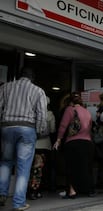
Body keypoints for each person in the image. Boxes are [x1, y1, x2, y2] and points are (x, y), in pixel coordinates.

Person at [0, 67, 47, 211]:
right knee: (23, 166)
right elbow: (42, 114)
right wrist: (38, 131)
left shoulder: (5, 87)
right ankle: (18, 203)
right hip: (27, 128)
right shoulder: (38, 91)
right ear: (32, 78)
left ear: (18, 76)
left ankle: (1, 195)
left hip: (7, 127)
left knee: (5, 162)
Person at [53, 92, 95, 199]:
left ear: (70, 101)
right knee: (85, 167)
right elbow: (90, 127)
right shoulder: (87, 112)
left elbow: (63, 126)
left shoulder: (69, 110)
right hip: (87, 142)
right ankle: (88, 190)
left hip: (73, 142)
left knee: (71, 167)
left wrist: (58, 139)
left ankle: (72, 191)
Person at [28, 96, 56, 200]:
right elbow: (53, 130)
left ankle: (28, 190)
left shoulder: (31, 114)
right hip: (44, 145)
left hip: (31, 145)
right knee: (39, 170)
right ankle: (35, 191)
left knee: (30, 169)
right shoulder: (50, 115)